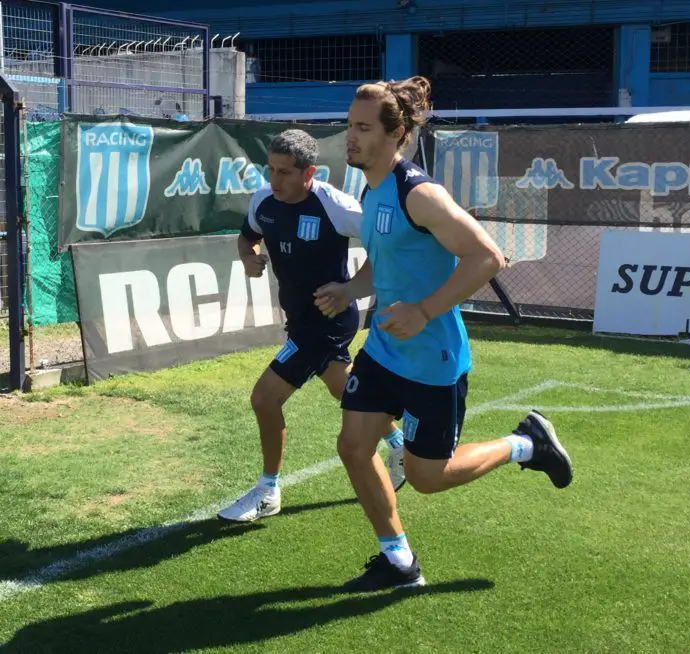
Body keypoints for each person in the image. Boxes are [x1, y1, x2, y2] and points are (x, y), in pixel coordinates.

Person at [314, 78, 573, 591]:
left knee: (428, 477)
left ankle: (525, 443)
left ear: (397, 134)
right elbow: (386, 259)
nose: (351, 136)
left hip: (432, 358)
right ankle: (398, 561)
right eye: (349, 125)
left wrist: (426, 310)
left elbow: (488, 257)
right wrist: (349, 290)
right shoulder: (371, 187)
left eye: (363, 128)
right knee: (353, 445)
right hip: (386, 349)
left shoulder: (420, 193)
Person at [217, 129, 405, 523]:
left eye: (285, 172)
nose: (275, 179)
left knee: (264, 399)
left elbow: (388, 244)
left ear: (309, 172)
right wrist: (248, 258)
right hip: (298, 319)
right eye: (270, 169)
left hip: (328, 321)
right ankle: (398, 441)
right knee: (345, 389)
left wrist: (350, 289)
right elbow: (247, 237)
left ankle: (268, 490)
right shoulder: (263, 202)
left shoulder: (335, 206)